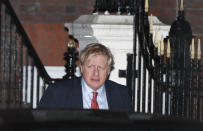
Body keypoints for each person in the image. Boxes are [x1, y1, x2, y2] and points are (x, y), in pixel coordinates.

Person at [38, 43, 132, 111]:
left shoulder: (121, 94)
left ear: (108, 71)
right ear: (82, 68)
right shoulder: (58, 92)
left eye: (101, 67)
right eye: (91, 67)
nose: (96, 73)